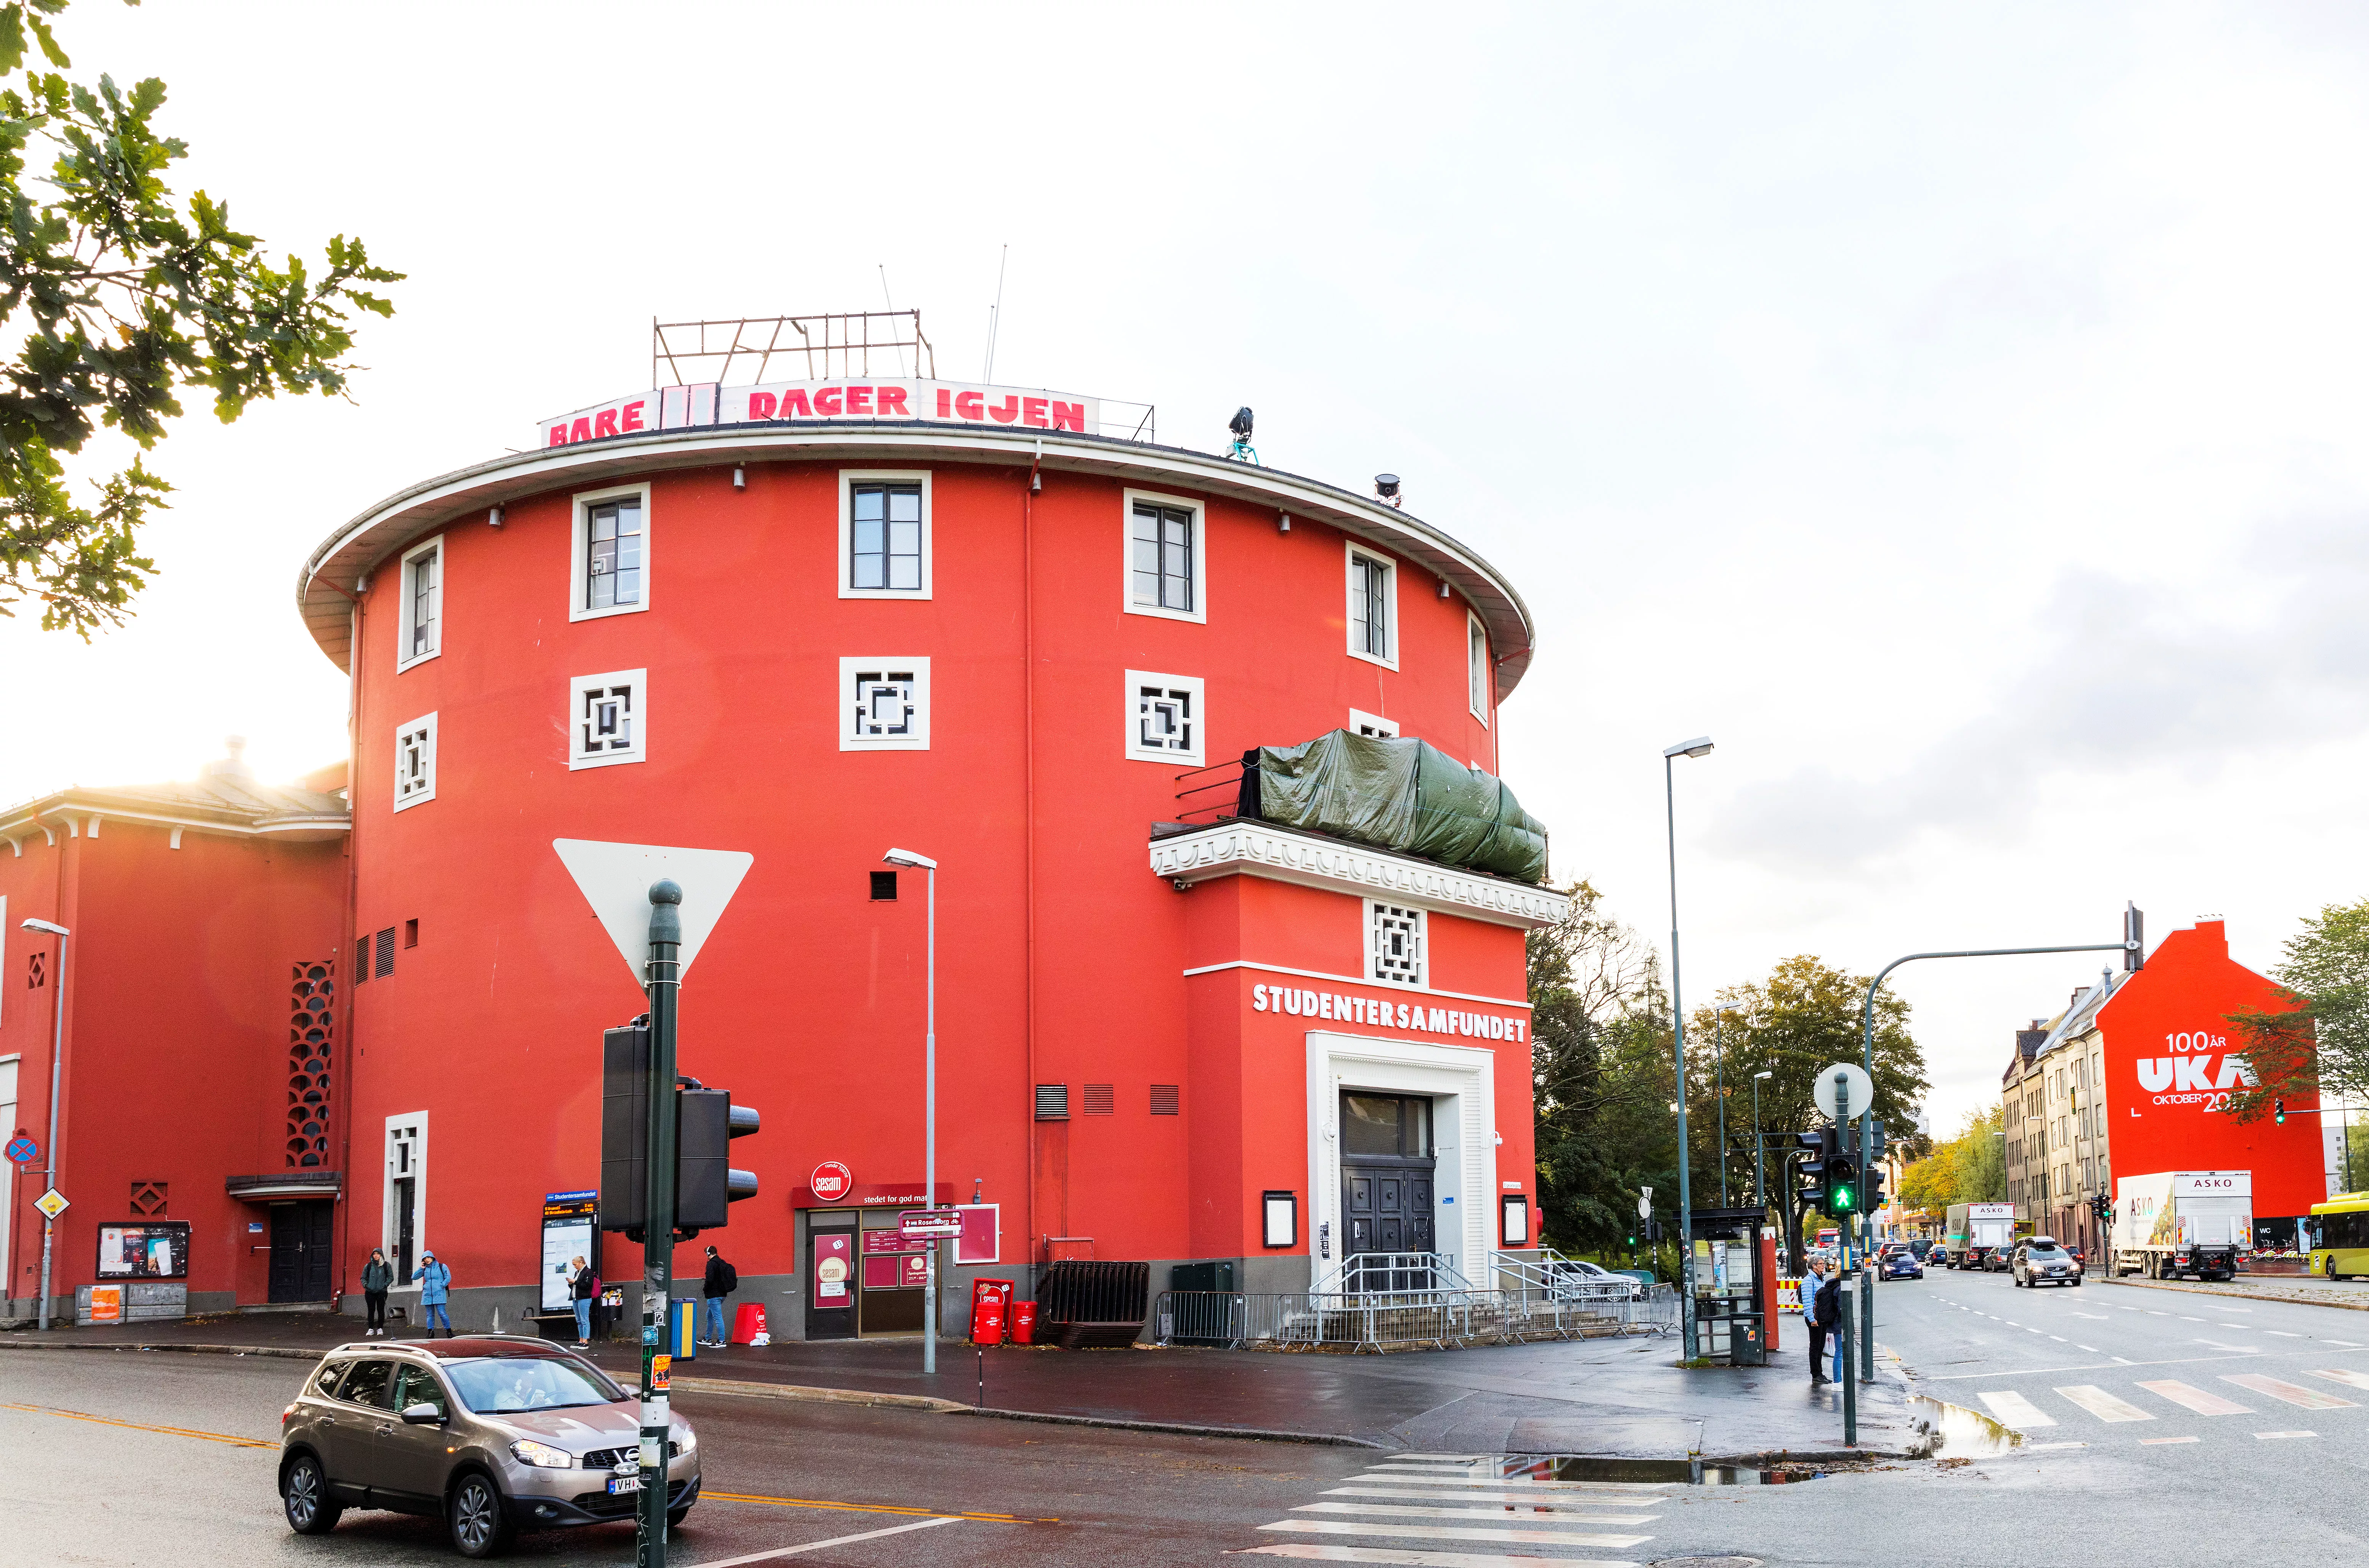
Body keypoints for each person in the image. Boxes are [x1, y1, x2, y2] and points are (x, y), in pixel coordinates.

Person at [1805, 1257, 1836, 1385]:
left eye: (1824, 1264)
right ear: (1814, 1266)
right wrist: (1812, 1319)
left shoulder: (1820, 1278)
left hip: (1821, 1318)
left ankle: (1820, 1373)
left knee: (1820, 1346)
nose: (1824, 1266)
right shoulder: (1809, 1280)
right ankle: (1816, 1374)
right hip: (1814, 1319)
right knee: (1815, 1346)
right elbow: (1807, 1301)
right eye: (1821, 1264)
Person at [701, 1244, 737, 1347]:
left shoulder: (711, 1264)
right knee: (710, 1315)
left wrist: (706, 1288)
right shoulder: (722, 1263)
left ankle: (722, 1341)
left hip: (714, 1295)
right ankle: (708, 1338)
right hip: (722, 1294)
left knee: (718, 1318)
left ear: (708, 1254)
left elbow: (710, 1279)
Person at [414, 1248, 453, 1337]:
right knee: (430, 1315)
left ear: (432, 1258)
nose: (427, 1260)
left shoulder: (442, 1266)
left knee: (442, 1313)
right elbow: (414, 1277)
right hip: (428, 1294)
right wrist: (421, 1268)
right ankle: (431, 1333)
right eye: (425, 1259)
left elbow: (448, 1277)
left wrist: (442, 1285)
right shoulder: (424, 1269)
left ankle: (449, 1332)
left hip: (439, 1294)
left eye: (428, 1257)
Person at [361, 1248, 394, 1337]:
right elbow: (363, 1278)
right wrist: (366, 1285)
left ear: (381, 1255)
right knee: (371, 1310)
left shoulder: (386, 1266)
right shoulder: (368, 1266)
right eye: (374, 1254)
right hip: (370, 1292)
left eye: (378, 1254)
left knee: (381, 1310)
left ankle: (380, 1329)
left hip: (382, 1292)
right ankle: (371, 1329)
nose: (376, 1256)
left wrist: (385, 1285)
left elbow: (391, 1277)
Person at [567, 1254, 597, 1347]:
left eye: (575, 1265)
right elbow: (576, 1285)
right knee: (579, 1320)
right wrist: (570, 1284)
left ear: (581, 1263)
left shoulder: (588, 1272)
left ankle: (586, 1341)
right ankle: (581, 1340)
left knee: (584, 1320)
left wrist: (575, 1282)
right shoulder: (577, 1273)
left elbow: (588, 1286)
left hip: (584, 1299)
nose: (574, 1267)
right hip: (576, 1298)